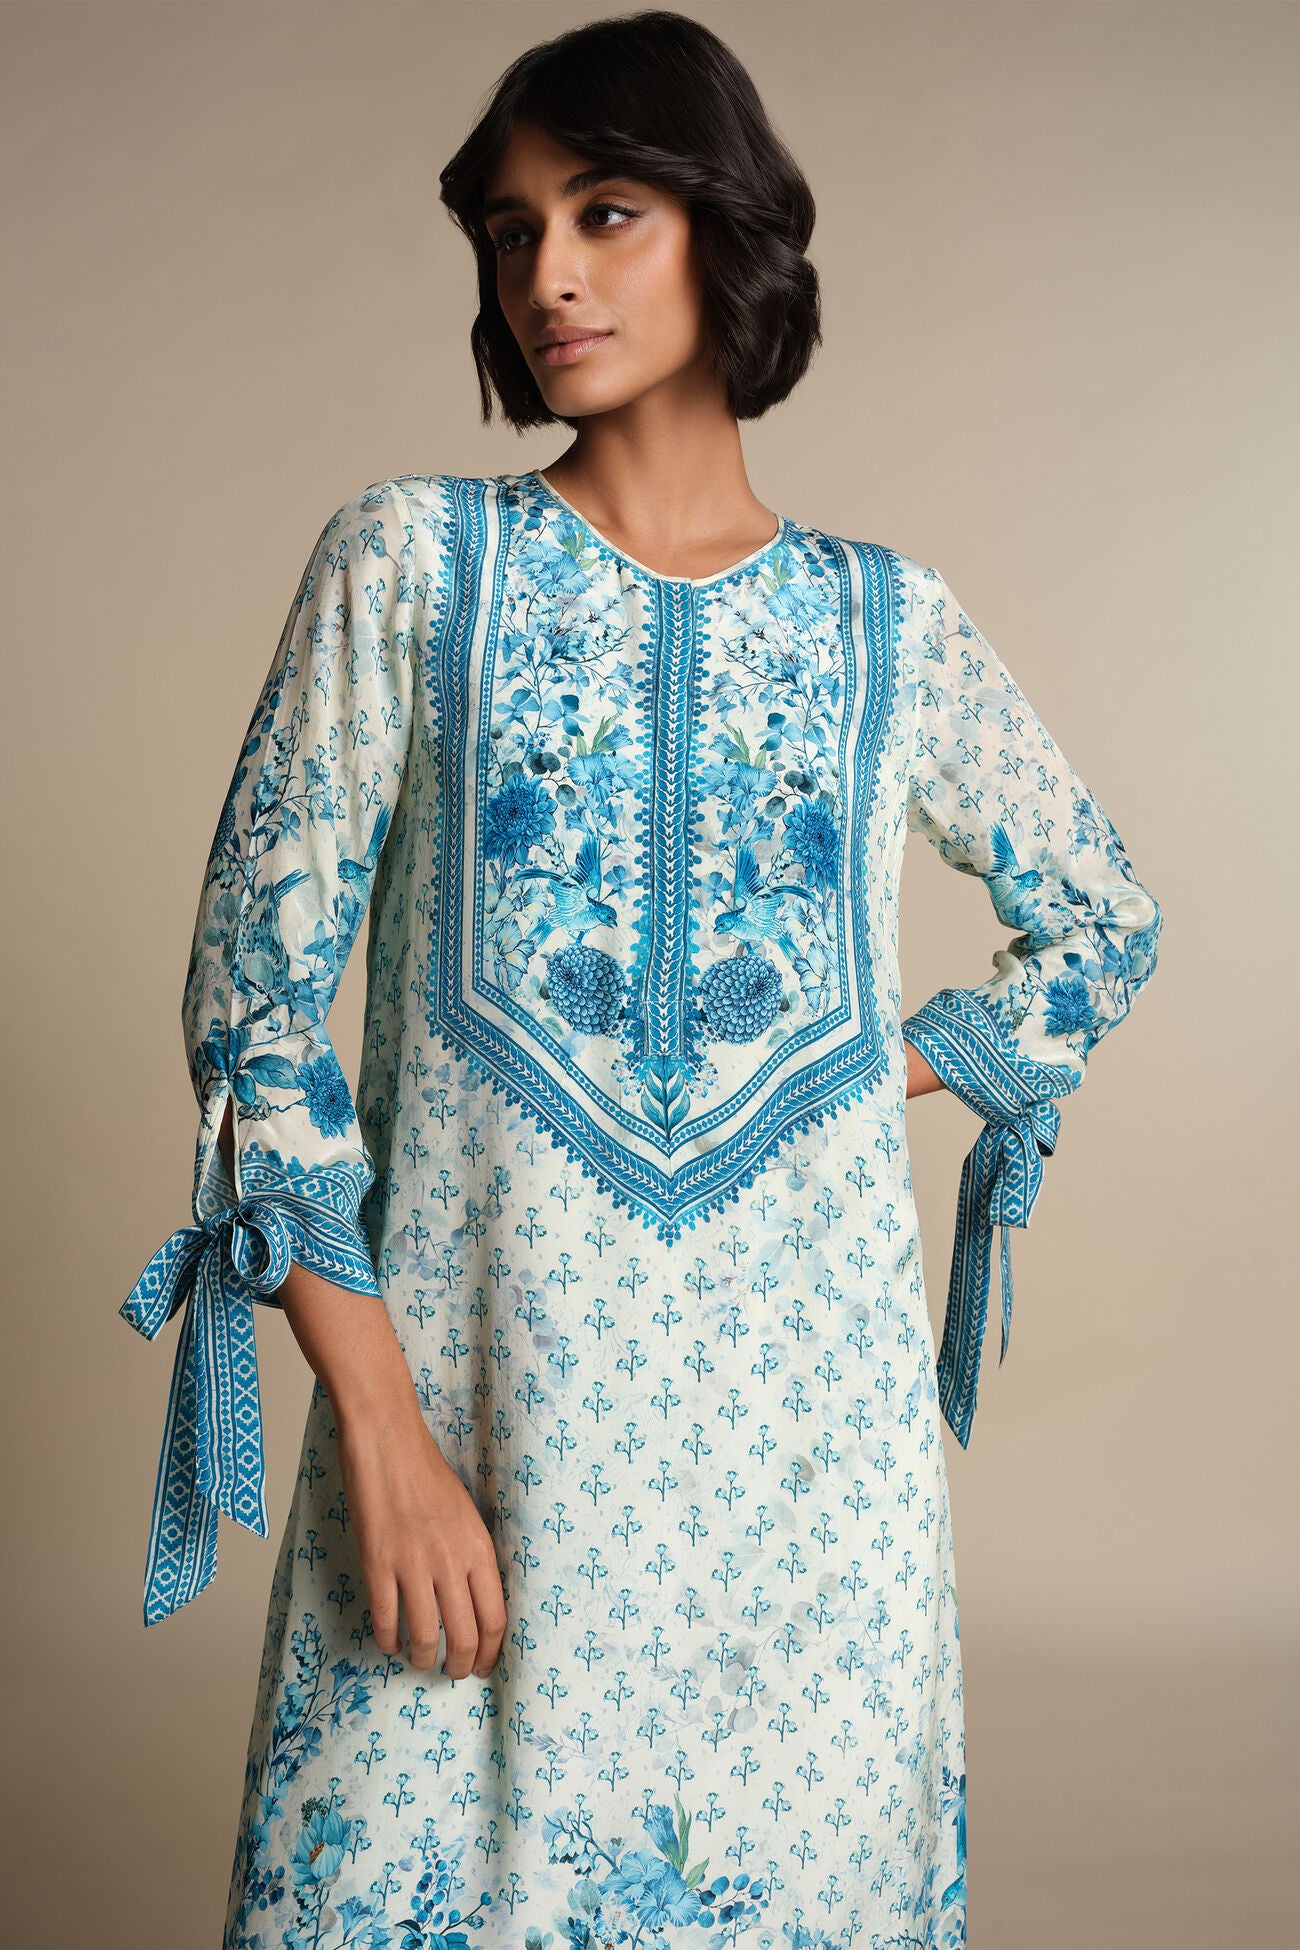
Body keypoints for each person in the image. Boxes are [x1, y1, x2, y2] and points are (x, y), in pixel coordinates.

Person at [119, 11, 1162, 1948]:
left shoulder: (885, 624)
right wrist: (379, 1434)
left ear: (724, 230)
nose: (549, 276)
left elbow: (1101, 921)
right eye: (511, 231)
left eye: (604, 212)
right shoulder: (410, 568)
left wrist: (873, 1065)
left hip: (814, 1512)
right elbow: (255, 1008)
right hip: (468, 1456)